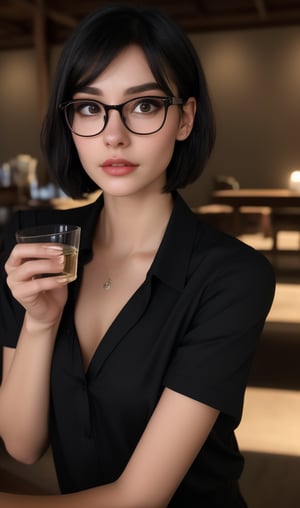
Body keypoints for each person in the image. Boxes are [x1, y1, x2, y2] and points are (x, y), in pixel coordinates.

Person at [0, 4, 275, 507]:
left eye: (144, 105)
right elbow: (22, 445)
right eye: (89, 107)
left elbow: (138, 498)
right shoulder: (35, 244)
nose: (113, 134)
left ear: (185, 118)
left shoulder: (232, 275)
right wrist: (39, 324)